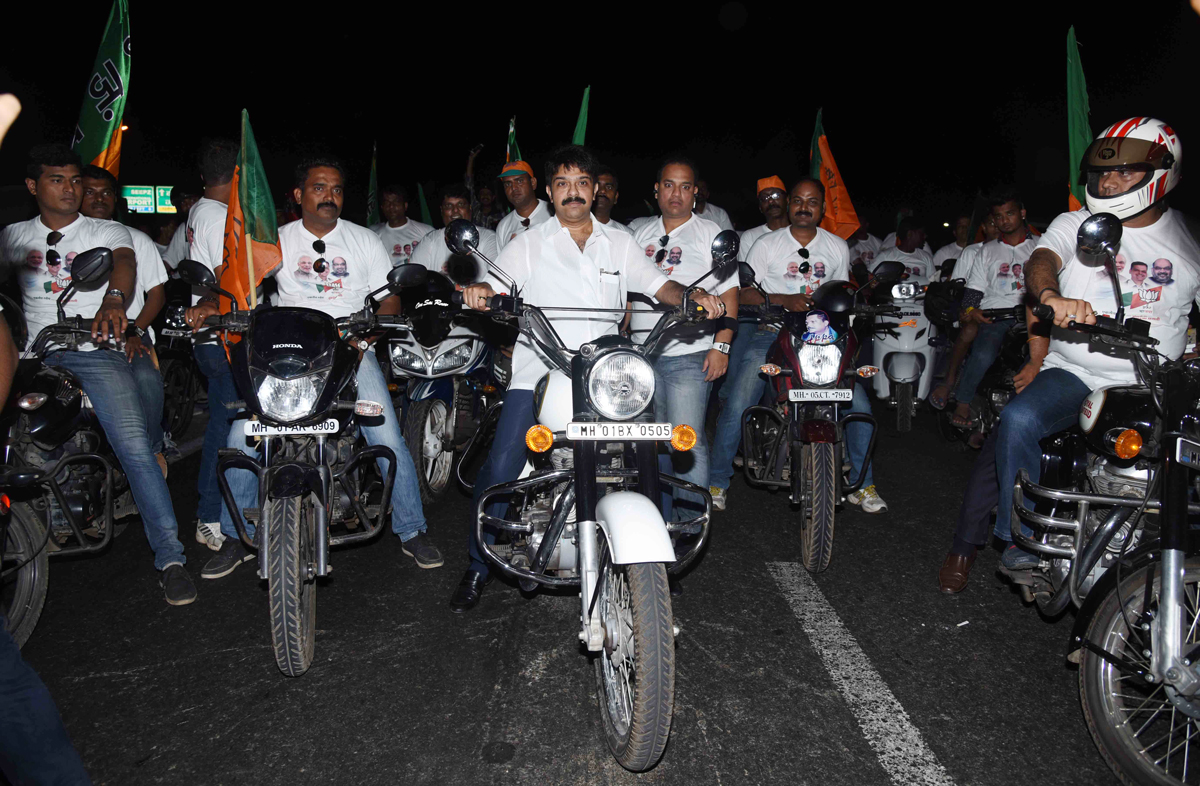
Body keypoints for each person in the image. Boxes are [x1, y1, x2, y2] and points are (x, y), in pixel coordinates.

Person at [449, 145, 727, 612]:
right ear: (550, 192)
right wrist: (480, 292)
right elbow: (495, 284)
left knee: (646, 459)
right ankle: (478, 564)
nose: (573, 193)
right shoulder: (527, 244)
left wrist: (691, 295)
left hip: (606, 372)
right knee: (502, 465)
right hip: (540, 367)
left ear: (596, 189)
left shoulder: (619, 242)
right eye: (562, 184)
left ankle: (652, 565)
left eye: (582, 183)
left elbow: (660, 285)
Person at [939, 116, 1197, 590]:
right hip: (1074, 371)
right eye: (1103, 173)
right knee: (1016, 423)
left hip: (1153, 383)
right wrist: (1051, 297)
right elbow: (1043, 259)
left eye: (1125, 172)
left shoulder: (1188, 238)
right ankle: (1019, 541)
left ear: (1162, 171)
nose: (1110, 181)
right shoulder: (1075, 222)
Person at [188, 156, 442, 579]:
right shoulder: (275, 241)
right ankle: (235, 537)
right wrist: (210, 304)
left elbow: (389, 299)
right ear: (298, 195)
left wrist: (367, 336)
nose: (329, 196)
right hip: (286, 354)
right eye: (319, 188)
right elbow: (235, 283)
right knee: (238, 438)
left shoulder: (363, 240)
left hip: (348, 348)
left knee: (388, 436)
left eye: (337, 189)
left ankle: (412, 529)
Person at [0, 144, 195, 604]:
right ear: (33, 187)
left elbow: (123, 266)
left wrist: (113, 299)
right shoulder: (12, 237)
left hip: (93, 348)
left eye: (74, 181)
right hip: (33, 355)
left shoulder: (105, 230)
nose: (70, 189)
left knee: (134, 448)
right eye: (57, 180)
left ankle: (170, 557)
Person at [707, 178, 883, 512]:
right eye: (799, 200)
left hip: (823, 340)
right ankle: (716, 482)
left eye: (812, 201)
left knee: (858, 403)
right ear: (790, 206)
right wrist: (784, 299)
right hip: (773, 331)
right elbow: (744, 293)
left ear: (822, 208)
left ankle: (864, 483)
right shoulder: (767, 243)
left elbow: (843, 292)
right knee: (741, 398)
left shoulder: (836, 246)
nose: (804, 207)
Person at [631, 157, 739, 525]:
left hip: (690, 355)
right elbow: (622, 294)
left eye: (685, 186)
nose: (676, 193)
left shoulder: (711, 233)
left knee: (686, 440)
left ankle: (691, 526)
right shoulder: (636, 232)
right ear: (656, 190)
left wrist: (721, 344)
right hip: (639, 355)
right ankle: (654, 523)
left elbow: (730, 295)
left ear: (696, 193)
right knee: (647, 443)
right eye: (669, 185)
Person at [78, 165, 169, 477]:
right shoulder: (64, 239)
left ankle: (153, 445)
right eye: (90, 191)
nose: (99, 198)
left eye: (106, 193)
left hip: (131, 330)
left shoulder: (136, 239)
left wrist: (135, 329)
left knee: (146, 378)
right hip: (77, 335)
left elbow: (157, 294)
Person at [178, 139, 244, 553]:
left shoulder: (202, 211)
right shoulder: (218, 216)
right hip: (220, 336)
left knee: (234, 424)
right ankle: (209, 515)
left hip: (218, 334)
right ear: (238, 174)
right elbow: (222, 276)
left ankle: (228, 505)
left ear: (204, 177)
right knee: (223, 427)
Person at [946, 192, 1038, 433]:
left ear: (1022, 213)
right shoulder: (986, 251)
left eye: (1010, 213)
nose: (1005, 220)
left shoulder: (1041, 247)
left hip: (1033, 316)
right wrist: (970, 310)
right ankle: (963, 403)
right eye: (999, 216)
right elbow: (974, 288)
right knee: (984, 353)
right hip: (996, 315)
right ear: (994, 222)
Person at [928, 213, 1001, 411]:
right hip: (972, 312)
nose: (997, 226)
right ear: (984, 227)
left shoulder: (1015, 251)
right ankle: (950, 381)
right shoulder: (972, 252)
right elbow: (957, 287)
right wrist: (967, 309)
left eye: (1000, 222)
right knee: (970, 330)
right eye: (992, 223)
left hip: (1005, 313)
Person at [409, 184, 499, 278]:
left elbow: (499, 274)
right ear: (441, 210)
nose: (455, 210)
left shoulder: (488, 237)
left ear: (470, 208)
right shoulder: (429, 240)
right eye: (448, 206)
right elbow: (413, 278)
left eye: (461, 204)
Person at [371, 184, 432, 266]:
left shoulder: (426, 231)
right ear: (382, 207)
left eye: (396, 202)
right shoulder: (373, 233)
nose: (391, 206)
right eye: (387, 203)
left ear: (405, 205)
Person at [495, 160, 550, 249]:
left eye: (519, 181)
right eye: (508, 184)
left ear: (533, 183)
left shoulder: (553, 213)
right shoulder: (503, 226)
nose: (514, 188)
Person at [737, 176, 789, 262]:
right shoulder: (750, 237)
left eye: (776, 195)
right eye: (765, 198)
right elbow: (746, 273)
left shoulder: (800, 233)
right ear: (760, 207)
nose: (771, 201)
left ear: (787, 200)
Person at [464, 144, 504, 231]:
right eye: (482, 193)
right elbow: (469, 185)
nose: (485, 196)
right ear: (478, 197)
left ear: (493, 197)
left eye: (488, 194)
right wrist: (471, 159)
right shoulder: (474, 209)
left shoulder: (501, 214)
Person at [161, 183, 201, 268]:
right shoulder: (184, 228)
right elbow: (169, 260)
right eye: (183, 203)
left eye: (192, 200)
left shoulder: (214, 220)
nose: (188, 205)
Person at [592, 166, 630, 233]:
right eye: (597, 186)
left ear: (616, 197)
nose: (602, 190)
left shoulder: (627, 234)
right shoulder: (570, 230)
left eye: (609, 187)